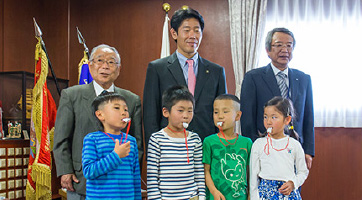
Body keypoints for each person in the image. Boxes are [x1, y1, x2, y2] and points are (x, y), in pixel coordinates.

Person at [53, 44, 142, 199]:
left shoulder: (131, 100)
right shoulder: (72, 95)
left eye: (111, 62)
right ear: (90, 65)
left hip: (120, 185)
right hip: (80, 179)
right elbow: (61, 137)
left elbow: (136, 142)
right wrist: (65, 170)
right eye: (100, 60)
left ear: (119, 68)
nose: (105, 66)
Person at [143, 7, 227, 150]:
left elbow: (222, 112)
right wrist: (154, 149)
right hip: (169, 147)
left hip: (206, 147)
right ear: (174, 33)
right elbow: (151, 114)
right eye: (186, 30)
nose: (192, 35)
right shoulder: (157, 68)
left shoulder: (216, 71)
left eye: (197, 30)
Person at [240, 27, 314, 169]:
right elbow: (247, 119)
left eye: (289, 45)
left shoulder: (304, 79)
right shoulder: (253, 77)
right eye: (279, 45)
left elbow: (308, 118)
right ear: (268, 50)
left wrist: (308, 151)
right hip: (265, 149)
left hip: (295, 149)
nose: (285, 50)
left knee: (292, 189)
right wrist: (254, 151)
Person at [147, 85, 205, 200]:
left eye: (190, 111)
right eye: (180, 110)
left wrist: (202, 196)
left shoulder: (195, 139)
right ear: (166, 112)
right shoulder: (156, 139)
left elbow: (199, 173)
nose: (186, 115)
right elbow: (152, 177)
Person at [82, 92, 141, 199]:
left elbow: (135, 177)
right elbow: (89, 171)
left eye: (126, 109)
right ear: (100, 115)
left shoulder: (131, 141)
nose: (124, 113)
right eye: (117, 108)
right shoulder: (92, 139)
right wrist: (116, 156)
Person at [249, 97, 309, 200]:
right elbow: (253, 177)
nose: (268, 121)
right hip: (265, 194)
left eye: (274, 117)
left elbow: (303, 171)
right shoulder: (258, 144)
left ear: (287, 120)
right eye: (265, 117)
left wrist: (293, 183)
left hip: (288, 194)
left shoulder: (294, 145)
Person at [203, 94, 252, 200]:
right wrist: (214, 192)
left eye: (225, 112)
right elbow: (205, 170)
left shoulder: (247, 143)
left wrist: (250, 195)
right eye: (216, 112)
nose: (220, 116)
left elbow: (249, 172)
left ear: (238, 116)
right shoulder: (208, 141)